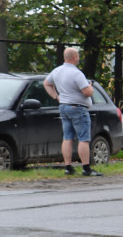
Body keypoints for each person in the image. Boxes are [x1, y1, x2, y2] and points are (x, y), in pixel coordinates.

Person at [43, 47, 102, 176]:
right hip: (78, 108)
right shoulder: (77, 73)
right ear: (74, 58)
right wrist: (91, 88)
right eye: (78, 56)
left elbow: (46, 83)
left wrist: (56, 97)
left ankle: (68, 167)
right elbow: (86, 92)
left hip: (64, 107)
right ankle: (86, 168)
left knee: (67, 137)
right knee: (83, 139)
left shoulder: (57, 71)